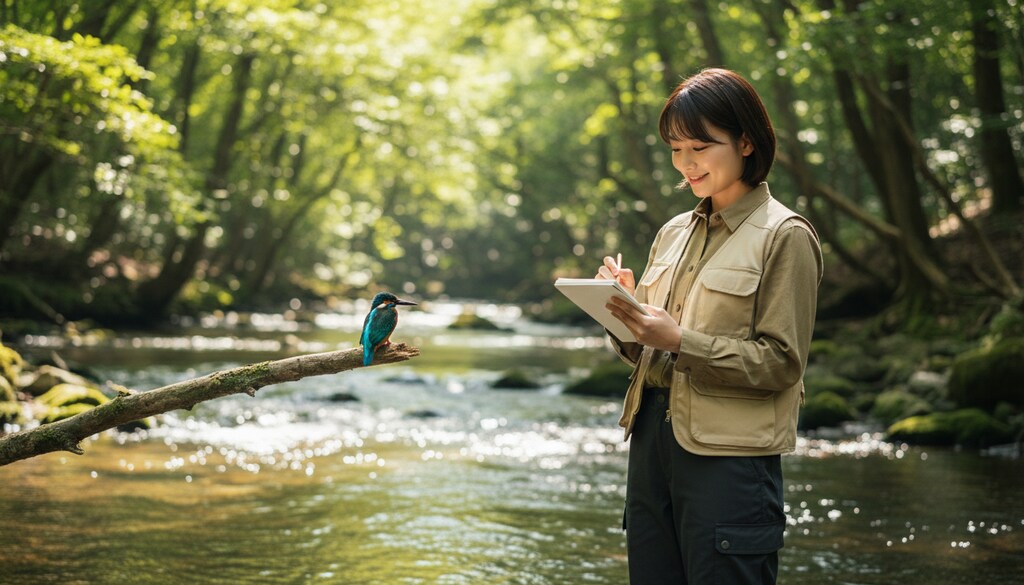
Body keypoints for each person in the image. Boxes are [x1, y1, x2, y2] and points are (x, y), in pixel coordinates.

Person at [595, 68, 823, 584]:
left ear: (746, 141)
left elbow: (782, 363)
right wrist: (624, 311)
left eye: (700, 146)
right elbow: (646, 350)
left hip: (730, 459)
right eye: (676, 149)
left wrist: (678, 339)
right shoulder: (673, 232)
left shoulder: (785, 236)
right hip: (651, 443)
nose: (686, 163)